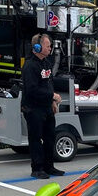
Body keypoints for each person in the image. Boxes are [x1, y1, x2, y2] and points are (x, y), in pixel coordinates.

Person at [20, 33, 64, 180]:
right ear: (37, 47)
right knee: (36, 139)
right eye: (47, 45)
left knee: (50, 137)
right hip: (33, 108)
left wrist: (52, 102)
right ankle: (37, 168)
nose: (50, 48)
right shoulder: (30, 66)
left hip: (46, 107)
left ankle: (48, 166)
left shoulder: (46, 63)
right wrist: (52, 96)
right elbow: (32, 90)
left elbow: (48, 84)